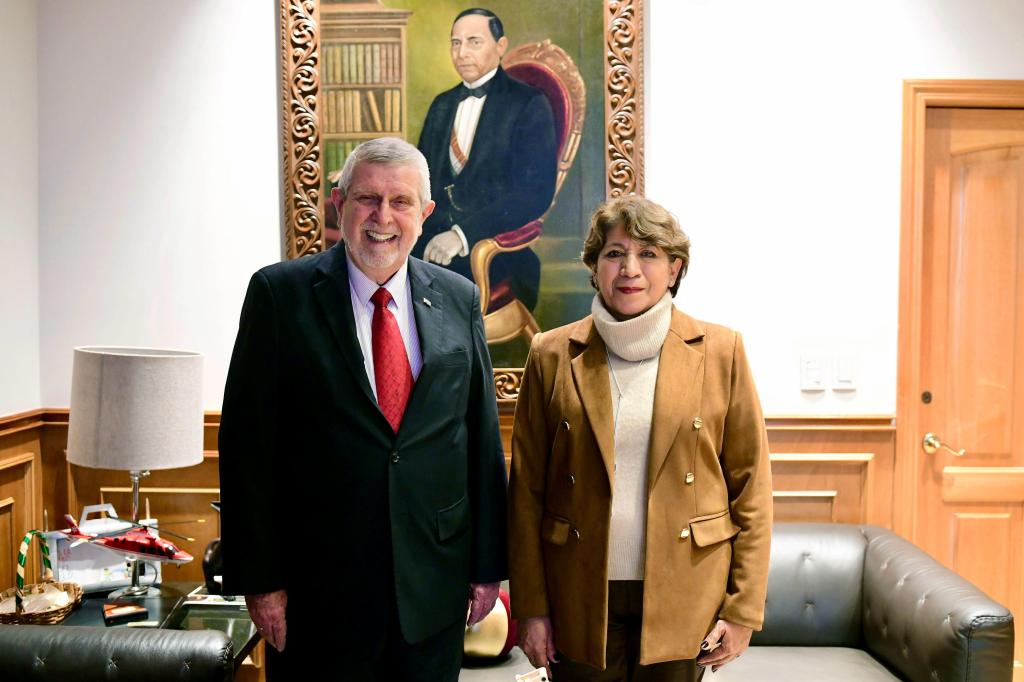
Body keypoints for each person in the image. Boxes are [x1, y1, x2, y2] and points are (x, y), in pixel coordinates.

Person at [218, 137, 509, 681]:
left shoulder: (459, 297)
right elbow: (246, 450)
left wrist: (488, 566)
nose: (383, 217)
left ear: (425, 213)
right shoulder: (280, 296)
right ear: (339, 203)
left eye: (400, 202)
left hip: (433, 587)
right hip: (316, 596)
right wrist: (261, 581)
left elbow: (480, 438)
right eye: (368, 199)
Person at [507, 196, 772, 681]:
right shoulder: (550, 353)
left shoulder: (722, 351)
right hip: (577, 592)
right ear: (594, 268)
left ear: (674, 269)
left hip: (686, 590)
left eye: (648, 253)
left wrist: (742, 610)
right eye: (614, 253)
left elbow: (751, 490)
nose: (630, 269)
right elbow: (526, 493)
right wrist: (532, 608)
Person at [414, 7, 558, 313]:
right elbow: (421, 177)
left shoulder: (529, 103)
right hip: (429, 243)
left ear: (500, 46)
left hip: (495, 253)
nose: (462, 53)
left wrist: (460, 236)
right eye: (455, 43)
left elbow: (534, 194)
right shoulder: (441, 104)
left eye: (474, 42)